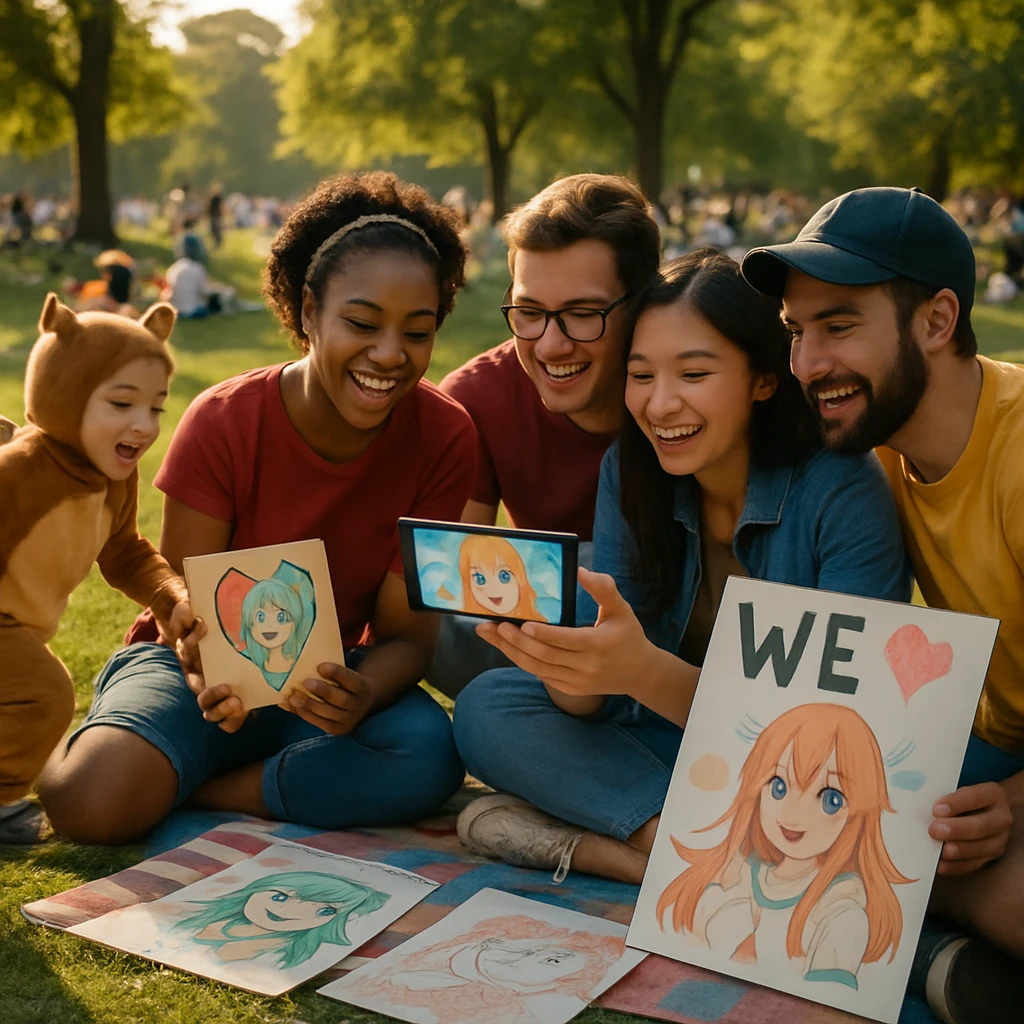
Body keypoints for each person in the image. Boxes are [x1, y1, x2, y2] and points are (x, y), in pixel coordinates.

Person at [38, 171, 478, 844]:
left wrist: (359, 693)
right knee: (86, 803)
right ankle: (210, 764)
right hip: (195, 672)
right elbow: (183, 603)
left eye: (417, 333)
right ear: (308, 311)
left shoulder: (445, 437)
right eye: (361, 324)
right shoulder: (223, 420)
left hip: (328, 681)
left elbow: (406, 639)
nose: (389, 355)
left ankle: (214, 790)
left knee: (426, 754)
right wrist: (211, 680)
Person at [452, 249, 909, 886]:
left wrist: (641, 670)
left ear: (764, 378)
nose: (660, 405)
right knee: (488, 706)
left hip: (810, 782)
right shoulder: (631, 470)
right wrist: (565, 661)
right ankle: (703, 854)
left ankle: (614, 851)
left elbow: (831, 734)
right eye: (641, 376)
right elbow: (590, 702)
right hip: (674, 749)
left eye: (693, 374)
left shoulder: (840, 487)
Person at [741, 185, 1024, 1024]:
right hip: (992, 751)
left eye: (838, 326)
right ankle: (940, 953)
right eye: (797, 333)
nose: (805, 365)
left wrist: (1014, 804)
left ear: (937, 322)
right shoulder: (883, 455)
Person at [430, 174, 662, 697]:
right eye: (529, 313)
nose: (551, 346)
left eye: (583, 315)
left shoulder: (684, 386)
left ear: (642, 304)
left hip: (672, 628)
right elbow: (461, 584)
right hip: (540, 635)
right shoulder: (476, 397)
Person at [0, 295, 196, 845]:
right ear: (63, 392)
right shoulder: (19, 474)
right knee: (43, 696)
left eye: (155, 407)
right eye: (121, 403)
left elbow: (126, 553)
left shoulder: (114, 478)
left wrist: (170, 594)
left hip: (21, 624)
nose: (144, 425)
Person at [658, 703, 912, 991]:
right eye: (778, 786)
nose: (793, 814)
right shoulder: (735, 872)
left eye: (831, 799)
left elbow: (830, 1000)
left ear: (859, 813)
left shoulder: (841, 911)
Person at [162, 235, 217, 318]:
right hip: (195, 310)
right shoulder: (198, 268)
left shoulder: (173, 268)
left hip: (177, 310)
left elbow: (169, 292)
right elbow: (205, 291)